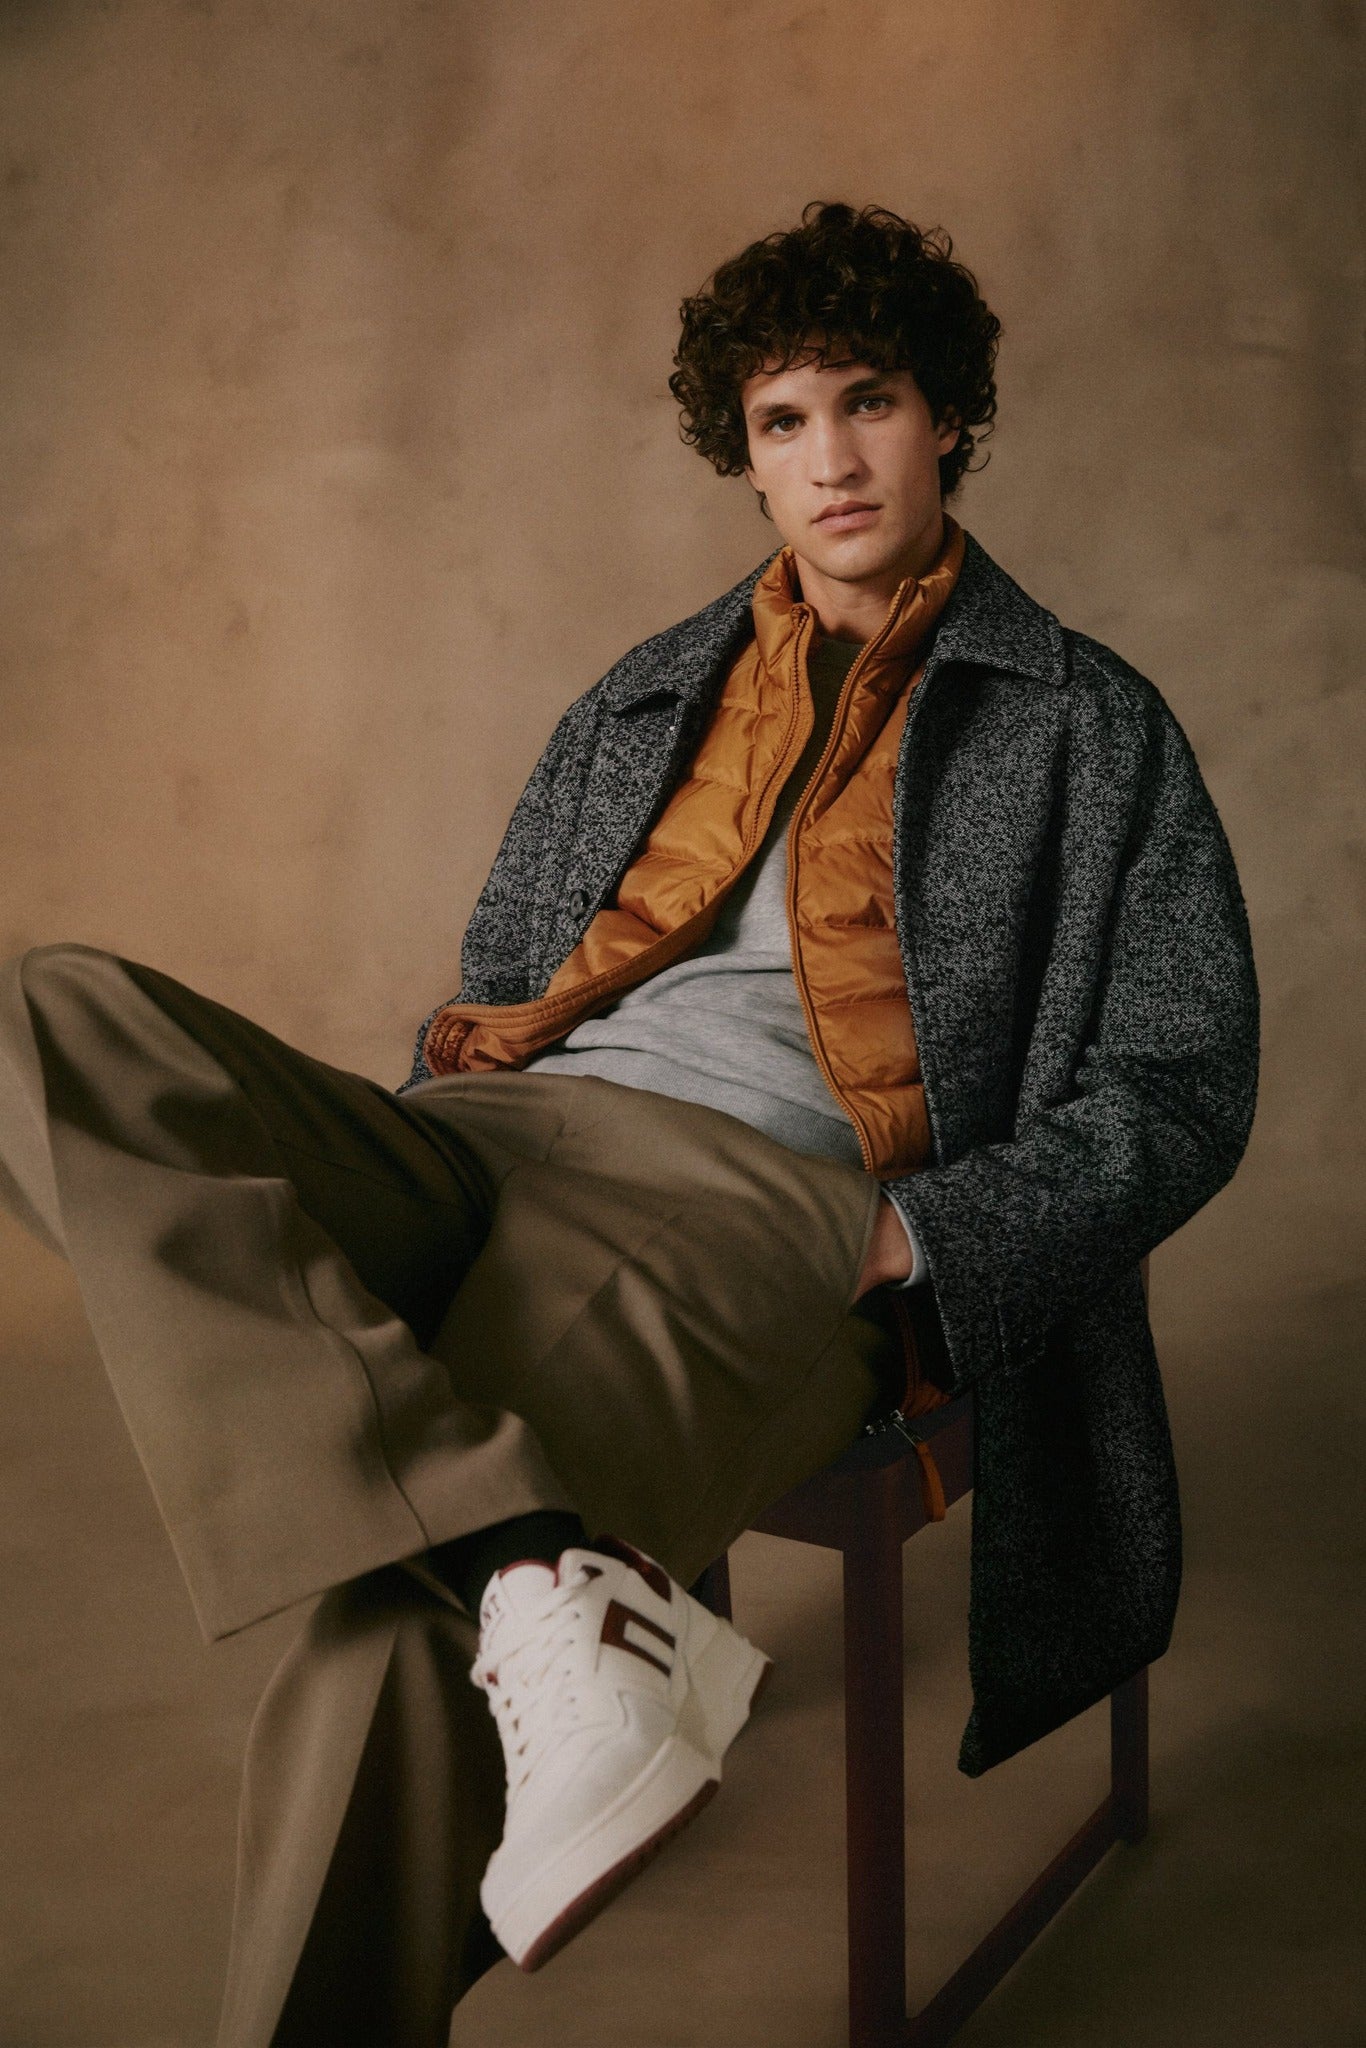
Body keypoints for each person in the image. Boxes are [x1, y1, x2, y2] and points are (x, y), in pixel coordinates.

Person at [0, 201, 1258, 2046]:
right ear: (740, 455)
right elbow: (508, 959)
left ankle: (492, 1578)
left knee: (391, 1635)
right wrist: (454, 1115)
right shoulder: (648, 689)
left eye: (869, 402)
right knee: (42, 1015)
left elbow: (1180, 1076)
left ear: (947, 417)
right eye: (781, 421)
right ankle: (531, 1562)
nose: (830, 460)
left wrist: (923, 1236)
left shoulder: (1086, 725)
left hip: (755, 1201)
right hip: (498, 1129)